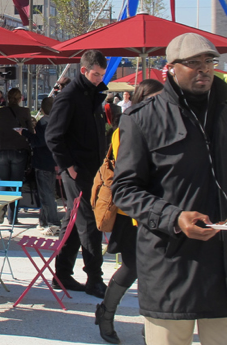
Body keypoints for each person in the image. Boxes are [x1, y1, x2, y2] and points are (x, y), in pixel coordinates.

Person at [112, 33, 227, 345]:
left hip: (225, 266)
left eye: (209, 62)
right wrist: (174, 218)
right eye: (193, 63)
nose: (204, 69)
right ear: (171, 68)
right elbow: (124, 190)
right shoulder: (143, 118)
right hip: (171, 264)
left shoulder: (226, 113)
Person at [94, 78, 164, 344]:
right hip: (131, 212)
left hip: (156, 211)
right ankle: (107, 314)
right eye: (153, 100)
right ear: (142, 100)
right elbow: (128, 174)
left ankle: (152, 326)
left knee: (152, 269)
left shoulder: (163, 126)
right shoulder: (126, 127)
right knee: (134, 266)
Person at [45, 49, 108, 298]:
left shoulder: (92, 93)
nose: (99, 79)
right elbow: (53, 135)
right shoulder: (69, 96)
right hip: (78, 170)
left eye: (102, 75)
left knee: (72, 222)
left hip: (92, 168)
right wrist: (67, 165)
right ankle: (94, 278)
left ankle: (62, 272)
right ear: (84, 70)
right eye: (95, 74)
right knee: (89, 223)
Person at [0, 88, 34, 224]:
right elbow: (31, 132)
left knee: (2, 180)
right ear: (20, 98)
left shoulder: (0, 111)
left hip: (2, 148)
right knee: (16, 184)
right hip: (19, 149)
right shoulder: (25, 112)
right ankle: (13, 217)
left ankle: (0, 209)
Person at [26, 97, 62, 236]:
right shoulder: (57, 122)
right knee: (48, 192)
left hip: (42, 161)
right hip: (53, 160)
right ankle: (43, 221)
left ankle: (53, 223)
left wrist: (25, 133)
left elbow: (38, 142)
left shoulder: (43, 123)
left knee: (46, 195)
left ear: (42, 109)